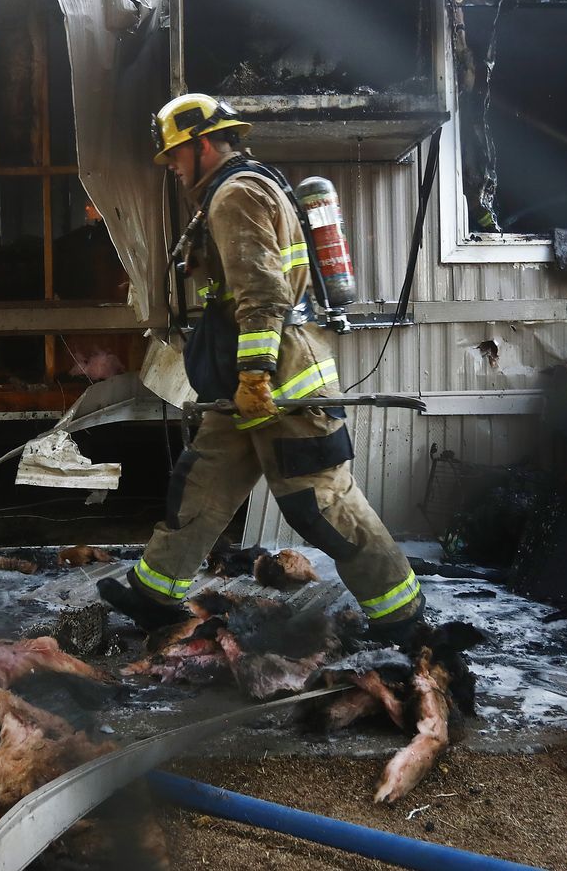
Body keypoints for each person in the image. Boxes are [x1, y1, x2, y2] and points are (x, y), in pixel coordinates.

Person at [96, 94, 424, 640]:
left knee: (319, 503)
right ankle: (154, 595)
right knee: (202, 484)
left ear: (203, 145)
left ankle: (402, 617)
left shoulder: (236, 194)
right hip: (242, 383)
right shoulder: (230, 192)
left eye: (176, 155)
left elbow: (264, 295)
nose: (173, 168)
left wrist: (254, 376)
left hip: (278, 378)